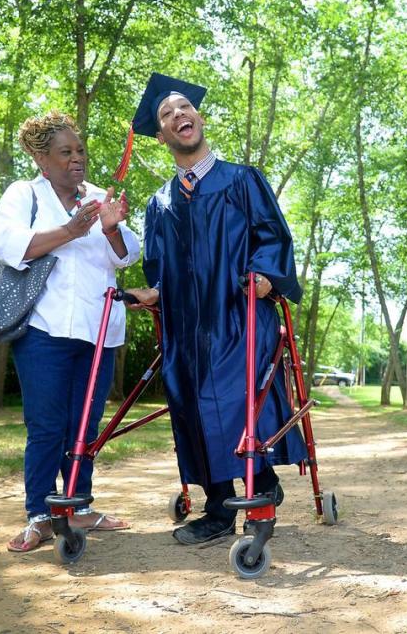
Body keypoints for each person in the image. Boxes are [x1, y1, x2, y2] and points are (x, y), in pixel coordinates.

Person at [125, 73, 308, 545]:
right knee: (189, 400)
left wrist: (267, 275)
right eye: (166, 115)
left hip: (239, 312)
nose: (178, 115)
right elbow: (159, 268)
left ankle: (261, 482)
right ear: (161, 134)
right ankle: (219, 507)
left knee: (235, 391)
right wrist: (154, 292)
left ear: (199, 118)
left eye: (184, 108)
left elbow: (272, 236)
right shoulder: (159, 203)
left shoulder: (242, 180)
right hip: (186, 326)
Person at [0, 110, 140, 553]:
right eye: (65, 152)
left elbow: (126, 256)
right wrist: (71, 230)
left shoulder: (97, 196)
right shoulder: (24, 195)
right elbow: (7, 245)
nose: (77, 159)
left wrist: (110, 229)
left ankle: (78, 506)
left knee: (84, 426)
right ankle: (40, 514)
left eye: (80, 151)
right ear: (41, 158)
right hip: (43, 331)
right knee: (47, 425)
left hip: (98, 332)